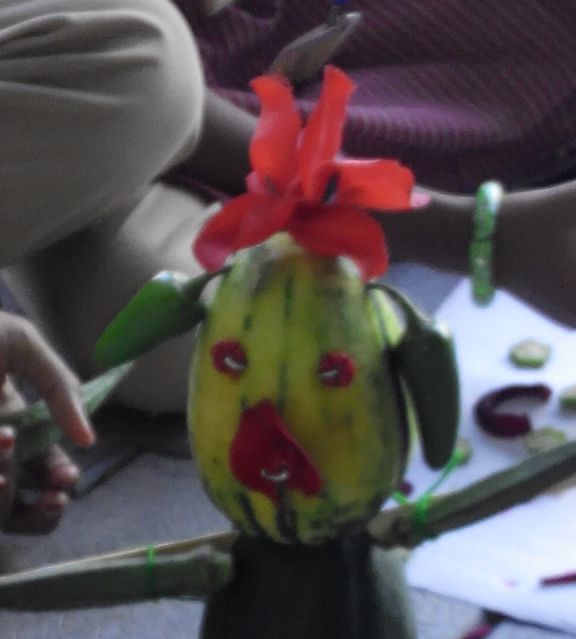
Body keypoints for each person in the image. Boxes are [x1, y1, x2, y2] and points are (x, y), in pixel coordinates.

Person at [1, 0, 575, 529]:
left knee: (200, 342)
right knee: (140, 61)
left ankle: (62, 176)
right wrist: (471, 235)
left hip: (134, 137)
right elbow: (165, 92)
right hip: (92, 53)